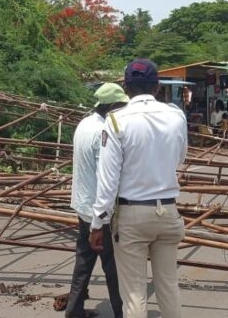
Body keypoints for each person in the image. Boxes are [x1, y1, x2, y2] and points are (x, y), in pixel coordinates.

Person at [90, 58, 188, 318]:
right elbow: (180, 159)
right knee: (168, 286)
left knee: (134, 293)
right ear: (157, 87)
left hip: (132, 216)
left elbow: (107, 181)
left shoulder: (115, 121)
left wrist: (97, 223)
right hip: (168, 212)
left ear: (126, 86)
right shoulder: (176, 116)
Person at [66, 83, 128, 318]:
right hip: (98, 211)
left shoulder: (85, 123)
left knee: (83, 260)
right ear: (112, 106)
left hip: (83, 205)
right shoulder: (104, 131)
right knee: (113, 267)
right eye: (121, 106)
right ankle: (122, 312)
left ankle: (74, 310)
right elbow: (106, 176)